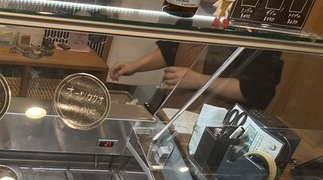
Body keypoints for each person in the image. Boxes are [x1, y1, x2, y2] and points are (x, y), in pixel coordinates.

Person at [110, 41, 283, 110]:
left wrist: (197, 80)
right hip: (172, 110)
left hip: (214, 124)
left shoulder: (257, 22)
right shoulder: (198, 7)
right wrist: (135, 66)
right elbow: (173, 48)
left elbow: (256, 91)